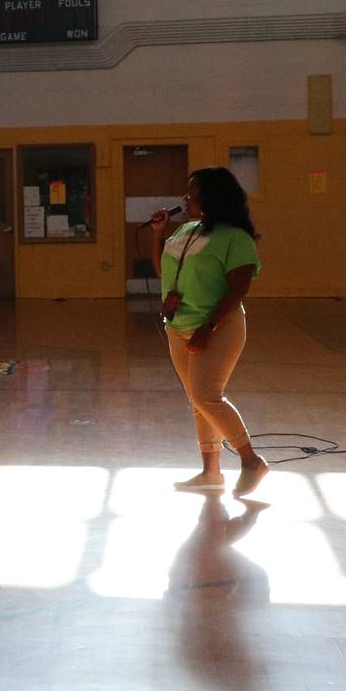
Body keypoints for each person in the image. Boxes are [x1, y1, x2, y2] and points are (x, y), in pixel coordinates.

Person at [148, 166, 267, 497]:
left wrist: (209, 326)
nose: (186, 198)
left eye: (193, 192)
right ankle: (210, 473)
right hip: (179, 326)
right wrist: (159, 233)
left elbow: (239, 287)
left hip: (218, 327)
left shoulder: (235, 237)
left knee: (206, 396)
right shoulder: (185, 230)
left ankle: (251, 461)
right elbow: (162, 269)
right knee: (196, 401)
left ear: (212, 197)